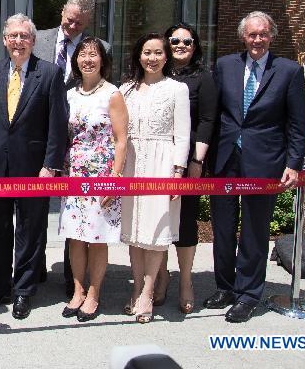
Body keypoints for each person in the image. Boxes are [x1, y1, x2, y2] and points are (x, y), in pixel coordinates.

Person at [205, 11, 305, 323]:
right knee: (222, 229)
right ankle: (225, 286)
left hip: (265, 162)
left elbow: (297, 124)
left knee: (254, 231)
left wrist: (293, 163)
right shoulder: (225, 66)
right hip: (225, 160)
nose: (257, 40)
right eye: (252, 34)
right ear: (243, 37)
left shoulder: (288, 71)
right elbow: (213, 113)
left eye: (263, 34)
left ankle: (248, 294)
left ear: (271, 36)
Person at [0, 14, 68, 320]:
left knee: (31, 231)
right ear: (5, 40)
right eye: (13, 36)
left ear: (33, 40)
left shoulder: (50, 73)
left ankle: (23, 291)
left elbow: (57, 124)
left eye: (24, 36)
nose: (18, 41)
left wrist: (51, 165)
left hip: (34, 167)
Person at [34, 0, 110, 291]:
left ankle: (72, 276)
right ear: (62, 10)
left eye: (79, 23)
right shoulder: (37, 38)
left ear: (89, 20)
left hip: (82, 141)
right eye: (69, 19)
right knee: (35, 208)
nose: (72, 26)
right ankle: (34, 268)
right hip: (39, 135)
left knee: (76, 207)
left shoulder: (100, 48)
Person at [119, 33, 190, 324]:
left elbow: (183, 134)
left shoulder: (177, 89)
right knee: (135, 231)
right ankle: (136, 287)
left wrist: (178, 171)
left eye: (158, 52)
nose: (152, 58)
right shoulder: (126, 90)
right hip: (132, 164)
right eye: (147, 52)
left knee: (156, 232)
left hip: (162, 164)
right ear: (138, 55)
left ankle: (148, 292)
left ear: (166, 56)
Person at [59, 37, 127, 323]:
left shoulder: (112, 94)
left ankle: (94, 293)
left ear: (103, 60)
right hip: (74, 172)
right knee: (75, 237)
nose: (87, 59)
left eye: (93, 55)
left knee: (98, 238)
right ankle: (77, 290)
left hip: (102, 173)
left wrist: (114, 179)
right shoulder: (70, 94)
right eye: (83, 54)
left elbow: (122, 140)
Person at [152, 23, 218, 314]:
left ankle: (187, 280)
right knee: (160, 219)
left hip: (188, 157)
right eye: (175, 40)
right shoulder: (155, 75)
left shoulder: (203, 78)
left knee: (186, 220)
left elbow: (207, 120)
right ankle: (162, 277)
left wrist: (196, 161)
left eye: (187, 41)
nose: (181, 45)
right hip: (155, 158)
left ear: (195, 46)